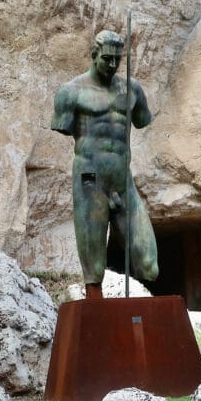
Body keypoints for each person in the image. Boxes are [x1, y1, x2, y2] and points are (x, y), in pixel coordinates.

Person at [51, 29, 158, 299]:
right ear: (94, 54)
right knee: (94, 265)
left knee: (149, 263)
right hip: (90, 177)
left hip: (122, 179)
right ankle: (94, 307)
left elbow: (143, 119)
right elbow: (63, 126)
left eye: (116, 60)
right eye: (106, 59)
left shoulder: (132, 89)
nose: (111, 65)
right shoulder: (71, 92)